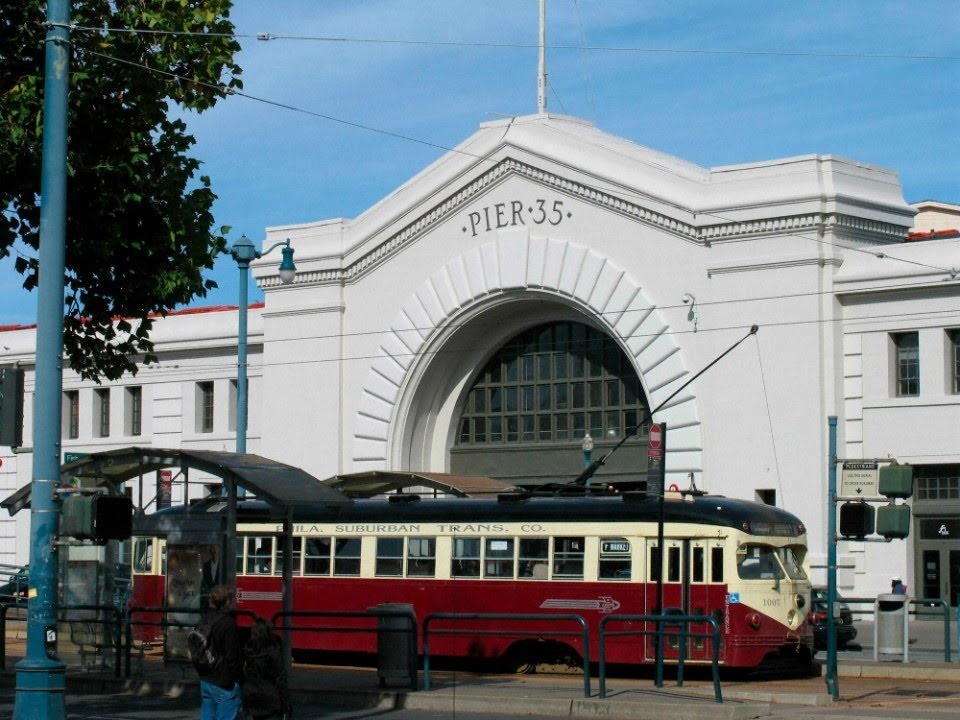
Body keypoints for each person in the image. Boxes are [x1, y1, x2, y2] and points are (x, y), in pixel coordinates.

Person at [198, 585, 244, 720]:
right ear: (227, 602)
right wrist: (238, 679)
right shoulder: (228, 623)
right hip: (224, 681)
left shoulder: (204, 620)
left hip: (206, 678)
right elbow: (232, 656)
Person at [243, 617, 291, 720]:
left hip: (252, 699)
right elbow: (280, 679)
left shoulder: (248, 652)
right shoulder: (273, 653)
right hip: (270, 700)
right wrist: (286, 703)